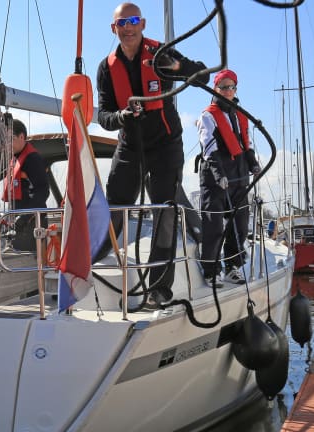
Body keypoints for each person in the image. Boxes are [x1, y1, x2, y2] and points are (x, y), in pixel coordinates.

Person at [97, 2, 208, 307]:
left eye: (133, 21)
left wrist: (175, 68)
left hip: (165, 146)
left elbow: (201, 75)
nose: (128, 27)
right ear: (113, 28)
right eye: (122, 23)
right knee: (115, 207)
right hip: (130, 146)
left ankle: (159, 289)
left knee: (165, 212)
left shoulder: (161, 53)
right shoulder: (106, 67)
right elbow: (103, 116)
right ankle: (93, 263)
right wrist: (121, 116)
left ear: (143, 24)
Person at [197, 68, 259, 287]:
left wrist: (253, 164)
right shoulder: (208, 115)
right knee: (214, 227)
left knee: (239, 226)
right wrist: (218, 174)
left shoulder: (241, 115)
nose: (228, 91)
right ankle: (211, 271)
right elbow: (209, 147)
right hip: (216, 178)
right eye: (223, 87)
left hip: (239, 177)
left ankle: (233, 267)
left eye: (231, 87)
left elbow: (245, 144)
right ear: (216, 88)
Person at [2, 119, 50, 251]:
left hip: (31, 224)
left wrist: (24, 217)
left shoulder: (33, 160)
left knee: (30, 263)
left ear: (22, 136)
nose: (7, 144)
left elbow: (43, 191)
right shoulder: (15, 159)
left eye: (10, 139)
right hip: (17, 222)